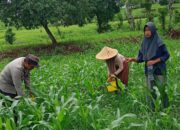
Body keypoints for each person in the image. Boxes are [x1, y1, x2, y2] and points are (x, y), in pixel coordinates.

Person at [127, 22, 170, 110]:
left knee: (161, 89)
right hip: (149, 71)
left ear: (153, 31)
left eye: (149, 30)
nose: (147, 32)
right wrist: (132, 59)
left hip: (159, 70)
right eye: (145, 30)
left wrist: (154, 61)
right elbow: (141, 58)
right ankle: (152, 109)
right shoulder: (144, 43)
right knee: (150, 90)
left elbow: (166, 55)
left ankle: (164, 109)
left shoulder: (159, 42)